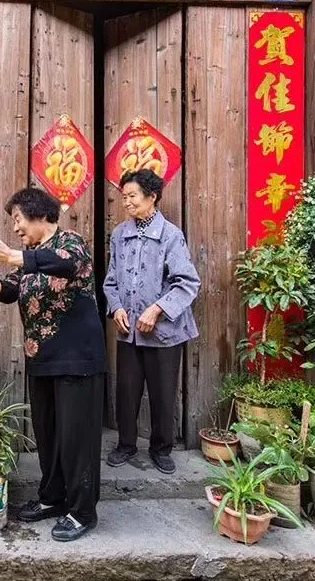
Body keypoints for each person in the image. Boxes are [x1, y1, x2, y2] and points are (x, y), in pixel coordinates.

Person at [0, 187, 106, 543]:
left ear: (40, 215)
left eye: (19, 219)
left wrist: (14, 256)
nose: (16, 228)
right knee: (49, 436)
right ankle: (54, 499)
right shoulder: (29, 256)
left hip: (77, 360)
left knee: (76, 439)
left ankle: (83, 511)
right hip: (41, 358)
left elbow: (68, 266)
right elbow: (10, 292)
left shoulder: (71, 243)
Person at [102, 169, 201, 474]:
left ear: (152, 197)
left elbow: (187, 282)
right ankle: (126, 444)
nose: (127, 202)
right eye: (124, 197)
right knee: (127, 391)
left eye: (132, 196)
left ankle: (161, 448)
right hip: (129, 331)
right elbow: (110, 281)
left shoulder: (171, 235)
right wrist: (116, 307)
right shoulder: (120, 235)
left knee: (162, 393)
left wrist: (157, 309)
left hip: (165, 333)